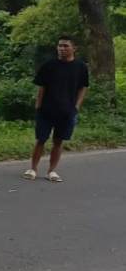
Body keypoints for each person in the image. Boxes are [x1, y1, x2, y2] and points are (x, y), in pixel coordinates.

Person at [24, 35, 89, 182]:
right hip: (47, 109)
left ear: (74, 48)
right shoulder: (49, 65)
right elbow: (42, 87)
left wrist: (77, 106)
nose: (62, 48)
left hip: (67, 110)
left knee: (58, 141)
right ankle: (33, 168)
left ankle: (51, 171)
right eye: (60, 46)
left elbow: (83, 87)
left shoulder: (80, 67)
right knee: (41, 139)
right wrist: (38, 105)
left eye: (66, 46)